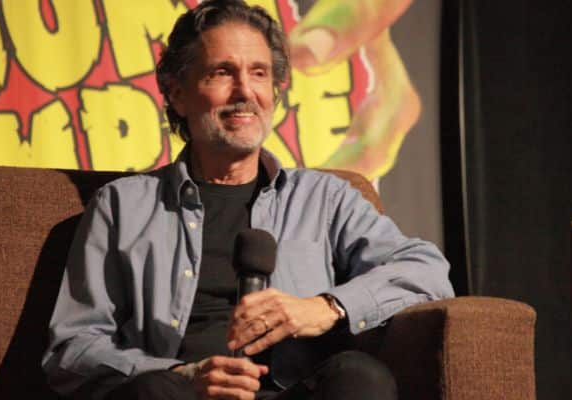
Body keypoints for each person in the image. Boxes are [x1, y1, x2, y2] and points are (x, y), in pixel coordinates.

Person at [42, 1, 454, 399]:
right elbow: (72, 348)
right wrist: (180, 374)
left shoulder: (325, 198)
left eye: (258, 73)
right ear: (178, 94)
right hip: (182, 392)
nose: (245, 91)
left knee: (360, 377)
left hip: (292, 390)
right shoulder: (122, 206)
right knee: (150, 392)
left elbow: (426, 271)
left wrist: (326, 307)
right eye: (222, 72)